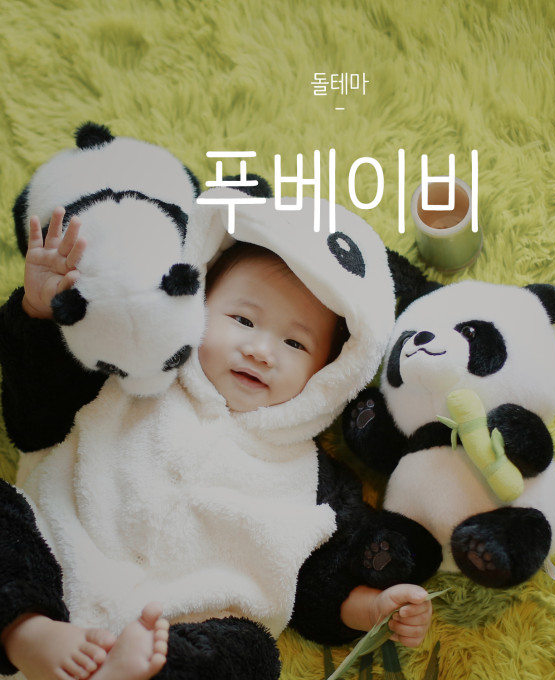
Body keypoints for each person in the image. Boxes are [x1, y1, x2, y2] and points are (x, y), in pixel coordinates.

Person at [0, 205, 437, 680]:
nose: (261, 351)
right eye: (243, 320)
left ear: (330, 374)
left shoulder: (315, 483)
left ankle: (139, 672)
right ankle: (27, 631)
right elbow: (38, 412)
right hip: (51, 560)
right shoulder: (140, 369)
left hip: (176, 628)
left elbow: (316, 583)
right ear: (197, 305)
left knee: (251, 653)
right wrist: (39, 314)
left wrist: (371, 608)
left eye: (295, 344)